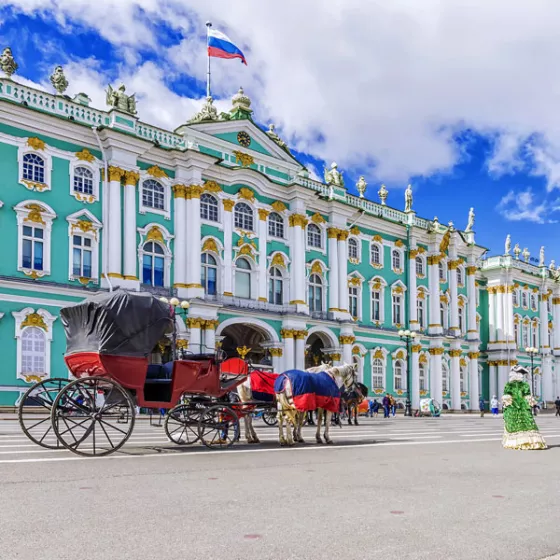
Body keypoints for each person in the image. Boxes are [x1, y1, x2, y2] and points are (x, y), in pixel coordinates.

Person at [502, 365, 547, 450]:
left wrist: (507, 405)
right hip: (523, 407)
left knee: (515, 424)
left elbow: (507, 396)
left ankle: (518, 442)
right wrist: (529, 404)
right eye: (520, 373)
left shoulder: (509, 385)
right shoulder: (524, 385)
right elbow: (527, 397)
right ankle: (530, 442)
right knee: (527, 424)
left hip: (514, 406)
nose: (521, 375)